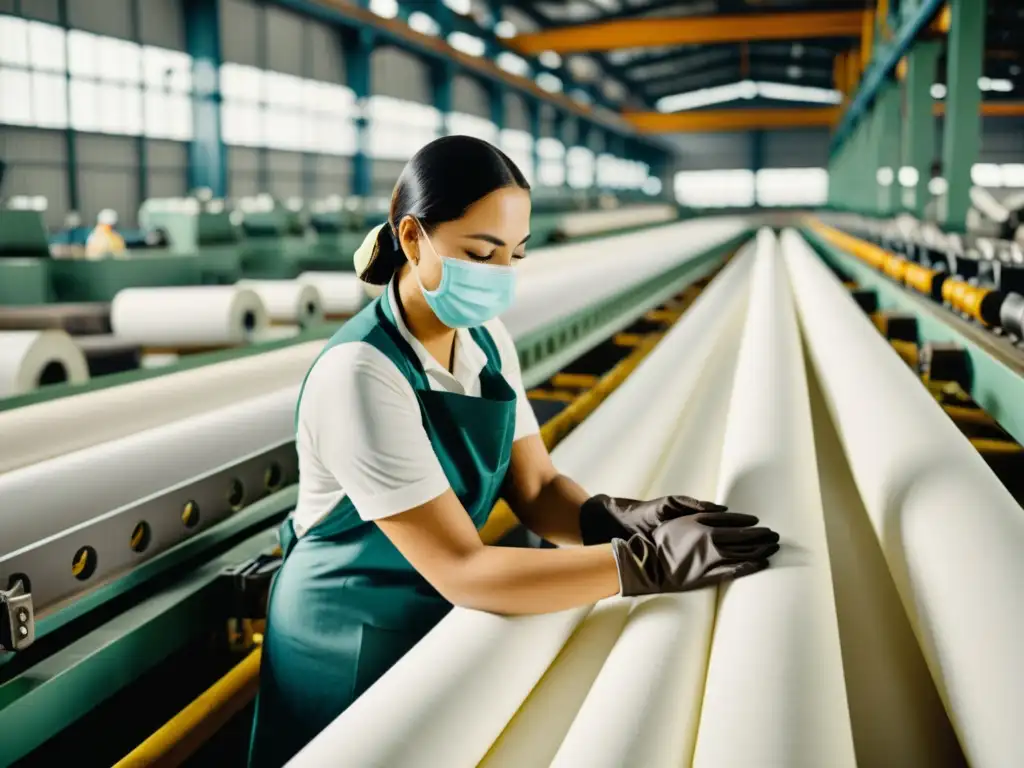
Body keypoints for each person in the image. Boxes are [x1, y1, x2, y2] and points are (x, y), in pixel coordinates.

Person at [248, 135, 780, 768]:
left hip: (436, 601)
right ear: (413, 237)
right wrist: (642, 565)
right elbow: (464, 570)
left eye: (515, 255)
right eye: (480, 252)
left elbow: (536, 489)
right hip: (345, 631)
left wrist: (614, 517)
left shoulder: (485, 338)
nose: (499, 276)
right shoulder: (362, 375)